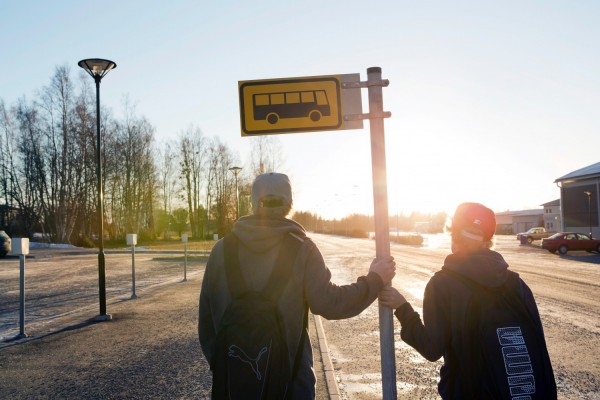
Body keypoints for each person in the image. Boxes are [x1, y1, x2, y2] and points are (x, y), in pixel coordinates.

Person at [199, 172, 396, 399]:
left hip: (232, 386)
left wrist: (232, 367)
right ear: (290, 205)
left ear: (253, 204)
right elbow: (332, 303)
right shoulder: (303, 249)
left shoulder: (221, 251)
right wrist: (374, 280)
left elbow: (206, 324)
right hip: (292, 389)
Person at [378, 202, 557, 399]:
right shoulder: (517, 284)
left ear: (453, 234)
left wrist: (403, 309)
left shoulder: (442, 284)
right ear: (488, 240)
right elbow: (537, 346)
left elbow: (431, 348)